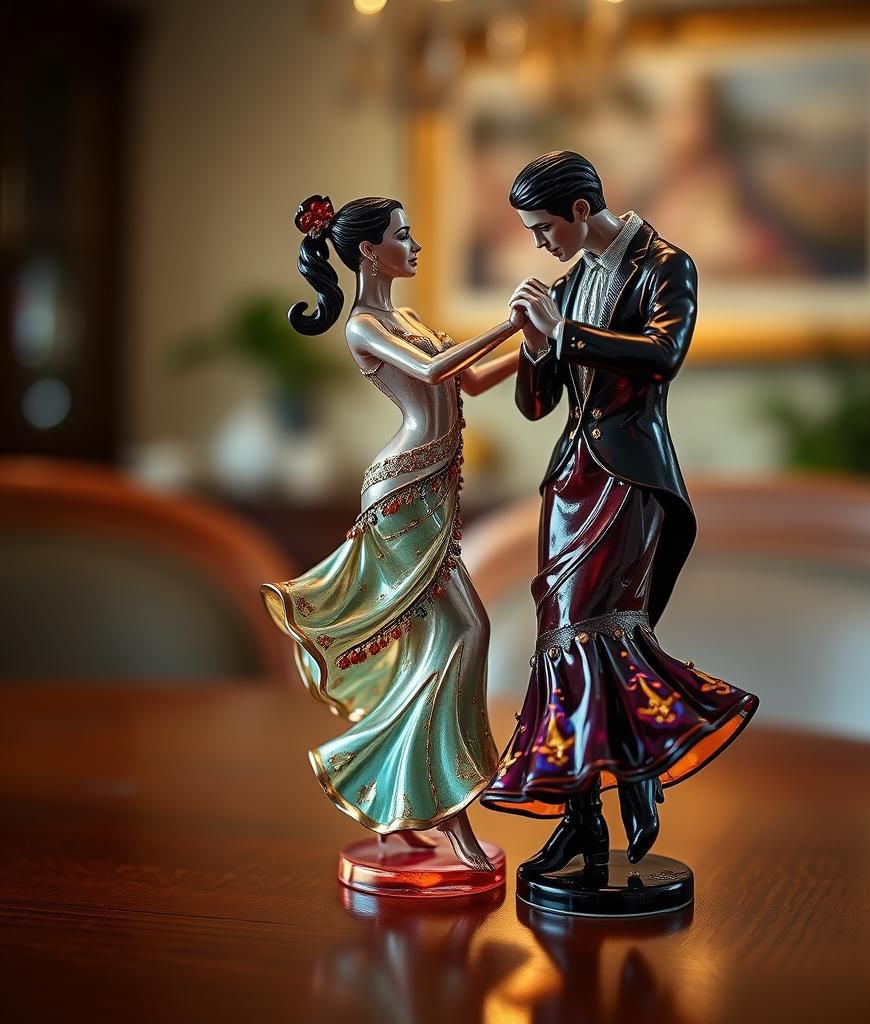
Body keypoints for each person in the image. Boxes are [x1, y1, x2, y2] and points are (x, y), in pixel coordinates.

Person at [481, 152, 759, 875]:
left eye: (543, 227)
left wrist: (565, 333)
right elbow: (540, 405)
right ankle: (593, 810)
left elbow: (662, 354)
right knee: (561, 638)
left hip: (629, 475)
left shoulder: (666, 265)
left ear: (579, 210)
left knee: (597, 630)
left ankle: (629, 780)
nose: (539, 243)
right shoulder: (569, 282)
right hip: (569, 477)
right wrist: (536, 344)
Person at [262, 195, 521, 872]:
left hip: (434, 486)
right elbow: (434, 372)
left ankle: (400, 796)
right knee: (464, 633)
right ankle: (449, 811)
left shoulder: (405, 316)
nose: (416, 246)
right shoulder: (363, 326)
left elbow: (465, 381)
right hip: (402, 491)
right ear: (370, 252)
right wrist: (509, 321)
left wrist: (533, 345)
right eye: (404, 236)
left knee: (435, 645)